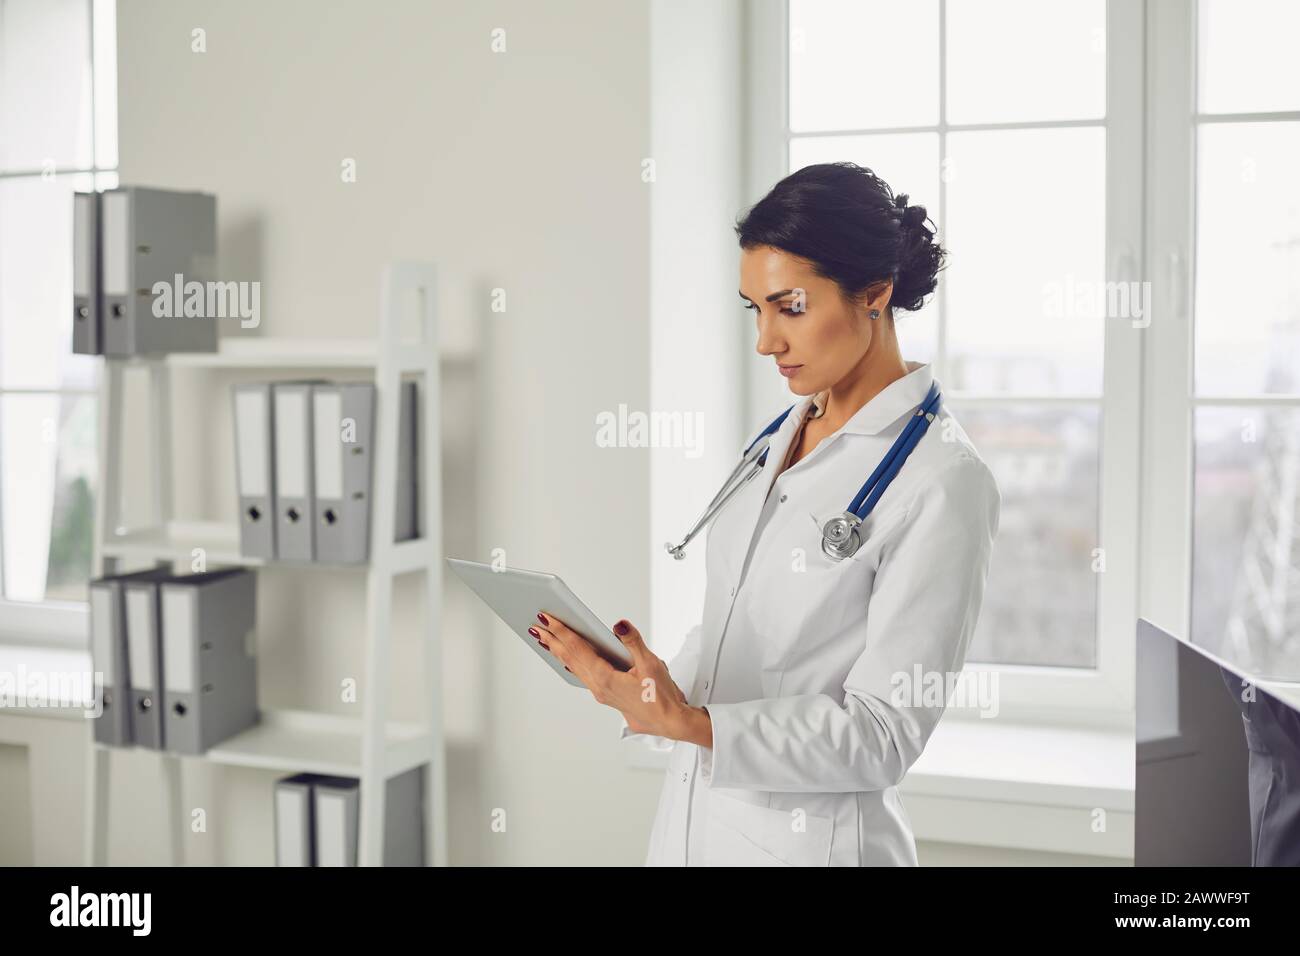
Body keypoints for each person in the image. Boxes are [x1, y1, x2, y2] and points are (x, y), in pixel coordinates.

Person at [531, 162, 1001, 866]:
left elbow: (881, 736)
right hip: (696, 832)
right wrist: (641, 687)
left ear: (874, 293)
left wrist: (692, 723)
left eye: (791, 307)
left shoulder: (943, 479)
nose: (765, 341)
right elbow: (737, 635)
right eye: (755, 308)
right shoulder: (783, 434)